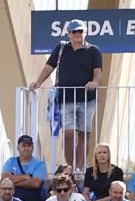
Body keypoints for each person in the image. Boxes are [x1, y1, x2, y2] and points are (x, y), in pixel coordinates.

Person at [29, 20, 104, 175]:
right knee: (68, 134)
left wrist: (95, 82)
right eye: (74, 32)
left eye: (80, 31)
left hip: (87, 99)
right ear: (69, 34)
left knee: (84, 134)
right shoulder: (61, 48)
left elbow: (97, 71)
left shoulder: (94, 50)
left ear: (85, 33)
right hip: (66, 99)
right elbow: (49, 66)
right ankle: (72, 166)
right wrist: (38, 82)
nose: (78, 34)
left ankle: (79, 168)